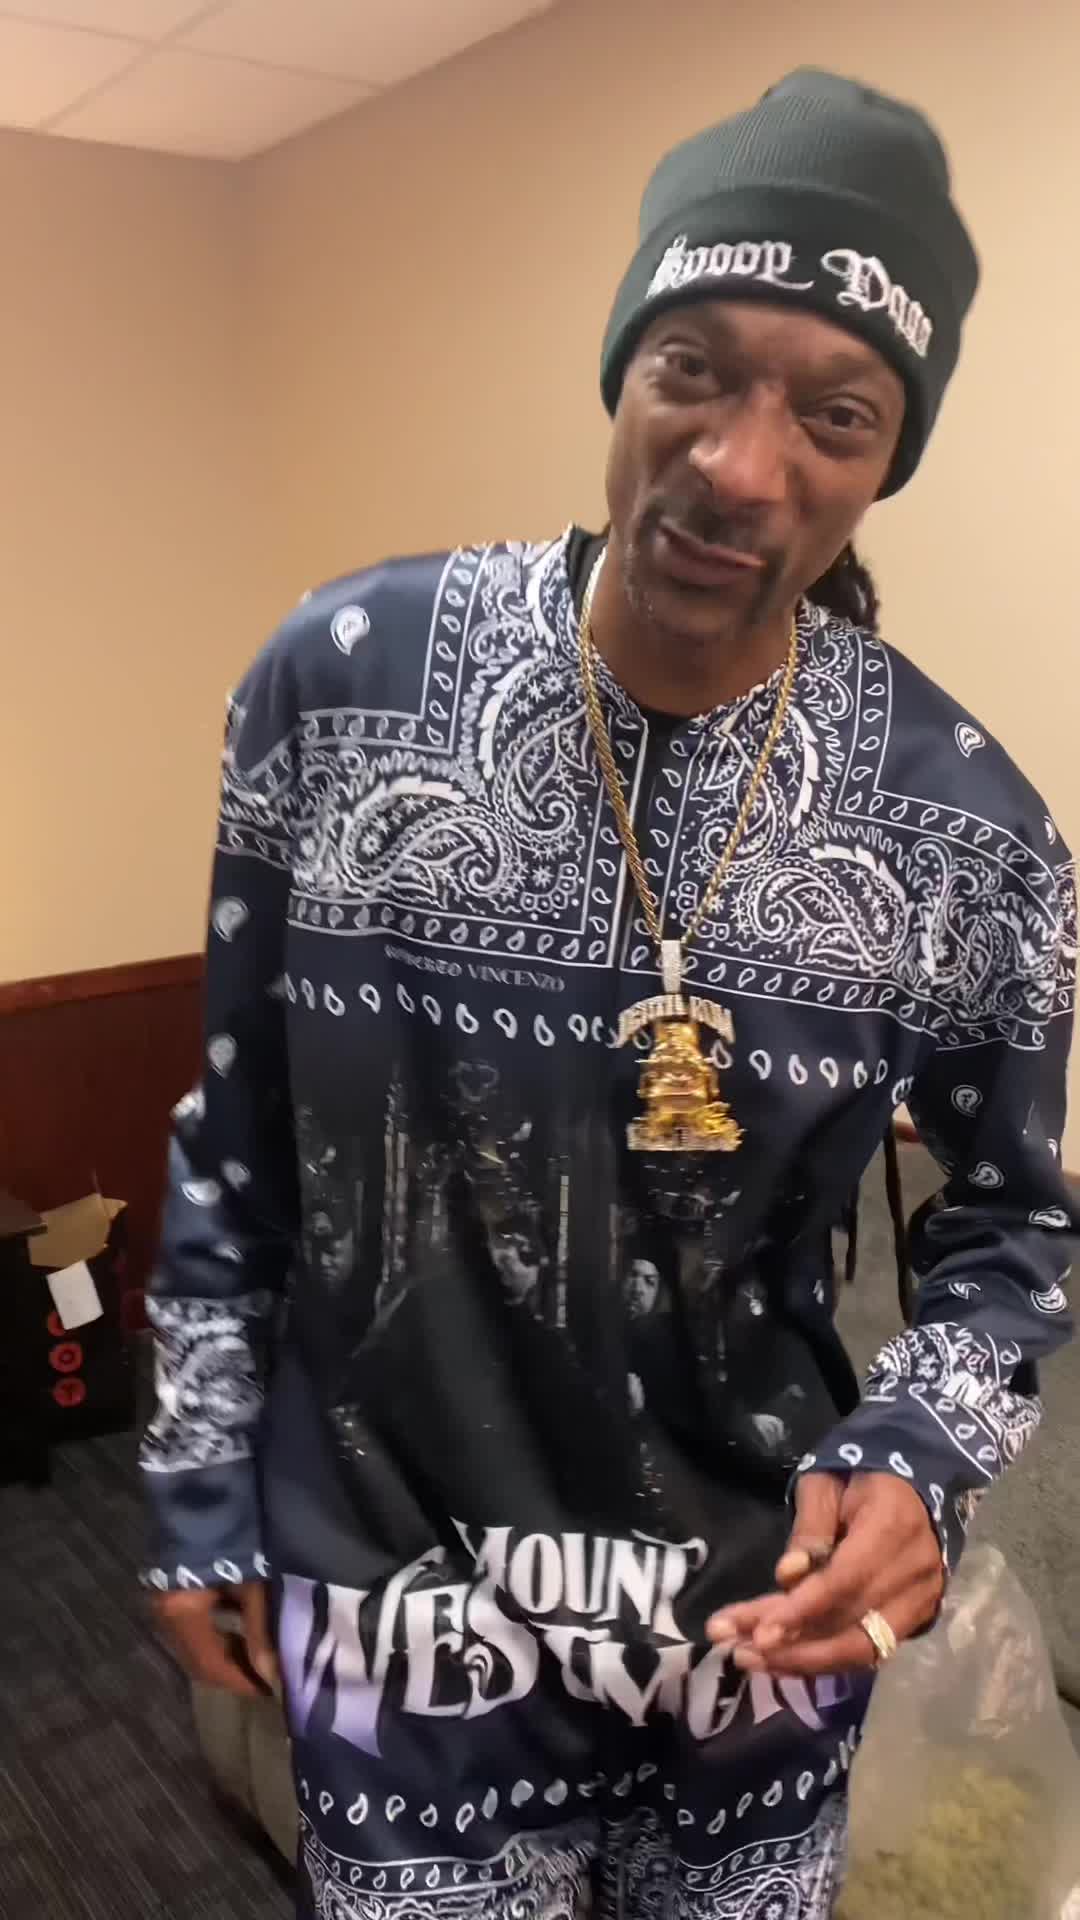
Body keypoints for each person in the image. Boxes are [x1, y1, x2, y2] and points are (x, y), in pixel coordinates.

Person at [143, 69, 1076, 1920]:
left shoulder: (968, 828)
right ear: (621, 373)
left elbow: (1016, 1227)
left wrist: (921, 1458)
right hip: (400, 1603)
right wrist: (192, 1473)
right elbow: (237, 1132)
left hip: (752, 1630)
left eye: (835, 413)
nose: (740, 465)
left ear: (888, 459)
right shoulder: (338, 685)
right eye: (693, 371)